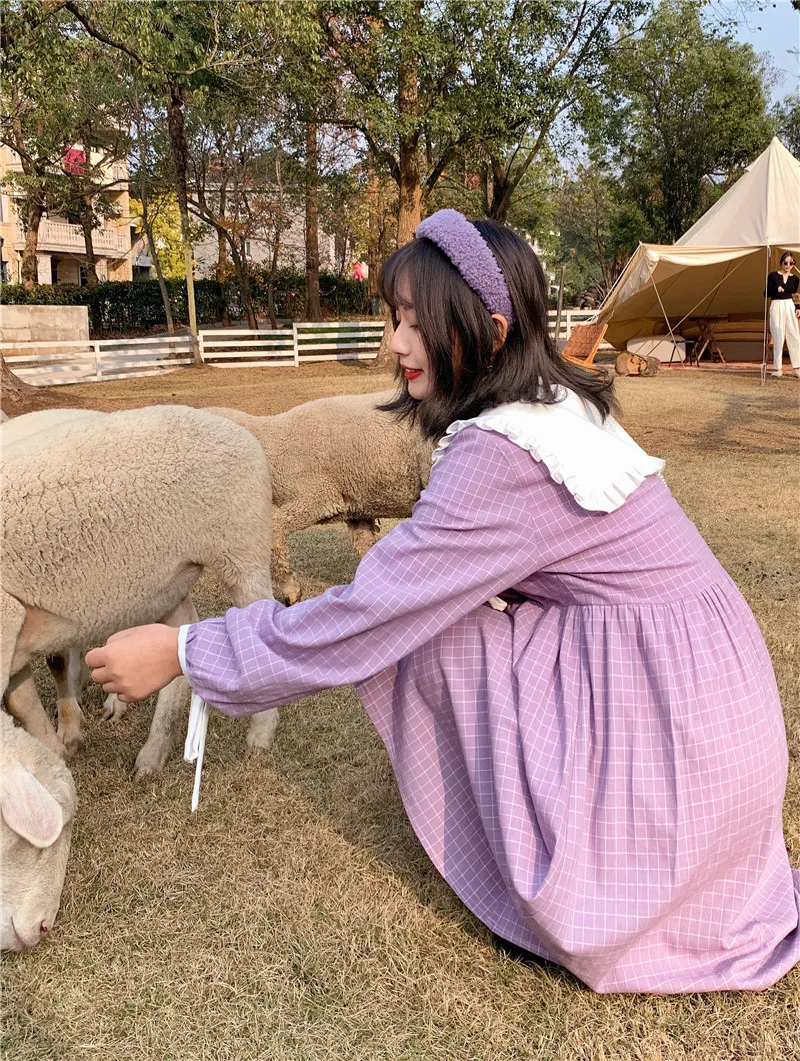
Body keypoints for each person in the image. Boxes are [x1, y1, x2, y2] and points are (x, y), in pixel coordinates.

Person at [86, 209, 800, 994]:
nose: (395, 344)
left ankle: (570, 871)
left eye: (415, 325)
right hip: (716, 708)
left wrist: (184, 650)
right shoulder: (555, 405)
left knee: (421, 630)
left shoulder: (502, 453)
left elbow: (367, 616)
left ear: (488, 331)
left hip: (677, 740)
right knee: (435, 608)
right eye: (395, 319)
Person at [765, 251, 800, 378]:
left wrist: (798, 307)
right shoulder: (773, 276)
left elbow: (795, 295)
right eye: (786, 263)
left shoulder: (795, 279)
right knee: (778, 334)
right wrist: (776, 289)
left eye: (791, 263)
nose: (788, 265)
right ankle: (777, 368)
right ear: (781, 263)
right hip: (776, 304)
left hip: (789, 305)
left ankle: (796, 367)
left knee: (794, 334)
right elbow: (766, 293)